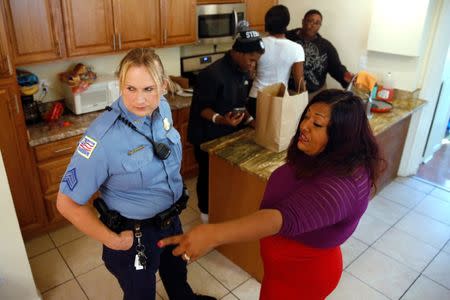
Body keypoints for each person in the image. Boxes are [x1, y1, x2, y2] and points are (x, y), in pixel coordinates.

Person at [160, 89, 385, 299]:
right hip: (283, 270)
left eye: (317, 123)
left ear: (341, 137)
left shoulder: (342, 187)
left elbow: (282, 218)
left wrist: (213, 234)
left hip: (301, 277)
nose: (305, 126)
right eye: (306, 116)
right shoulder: (325, 156)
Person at [56, 48, 216, 300]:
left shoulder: (162, 107)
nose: (139, 100)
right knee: (140, 293)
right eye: (130, 89)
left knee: (176, 273)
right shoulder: (102, 138)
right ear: (120, 85)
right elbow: (66, 203)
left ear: (163, 86)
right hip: (135, 235)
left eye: (148, 89)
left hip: (171, 219)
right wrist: (113, 241)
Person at [187, 24, 265, 223]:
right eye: (251, 60)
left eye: (256, 62)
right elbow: (201, 108)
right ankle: (206, 216)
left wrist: (252, 121)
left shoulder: (243, 72)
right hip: (206, 135)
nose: (253, 65)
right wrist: (222, 120)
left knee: (224, 177)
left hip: (226, 132)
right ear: (238, 52)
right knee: (207, 177)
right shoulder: (212, 74)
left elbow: (240, 105)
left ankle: (222, 211)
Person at [248, 4, 304, 117]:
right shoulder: (296, 48)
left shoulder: (258, 43)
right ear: (286, 23)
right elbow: (299, 82)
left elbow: (250, 73)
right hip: (279, 98)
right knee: (276, 133)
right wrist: (303, 103)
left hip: (256, 96)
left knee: (254, 133)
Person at [286, 9, 354, 100]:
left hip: (315, 95)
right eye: (310, 21)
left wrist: (345, 76)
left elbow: (336, 67)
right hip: (290, 93)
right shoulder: (288, 38)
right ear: (303, 21)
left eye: (317, 23)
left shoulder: (325, 46)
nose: (313, 25)